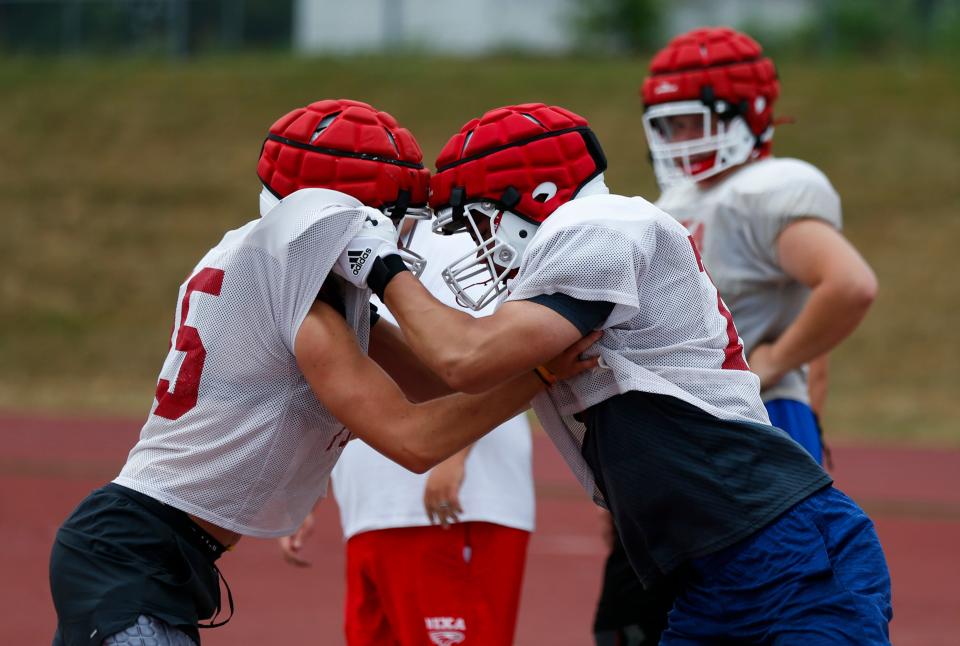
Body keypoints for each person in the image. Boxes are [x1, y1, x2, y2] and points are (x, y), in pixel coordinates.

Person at [331, 101, 892, 644]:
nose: (480, 248)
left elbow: (464, 360)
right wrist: (347, 310)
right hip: (712, 573)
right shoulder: (572, 263)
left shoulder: (601, 224)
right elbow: (437, 380)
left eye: (479, 222)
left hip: (785, 546)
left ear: (540, 196)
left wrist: (377, 265)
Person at [47, 99, 596, 646]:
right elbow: (415, 440)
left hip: (147, 550)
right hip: (133, 551)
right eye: (386, 217)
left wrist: (539, 348)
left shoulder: (282, 280)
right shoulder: (306, 311)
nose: (397, 236)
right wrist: (540, 375)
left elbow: (443, 377)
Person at [592, 26, 882, 645]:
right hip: (687, 432)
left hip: (754, 418)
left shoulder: (766, 190)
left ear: (749, 113)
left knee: (769, 605)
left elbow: (847, 285)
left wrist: (774, 361)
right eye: (668, 125)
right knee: (658, 612)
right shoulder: (680, 197)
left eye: (694, 121)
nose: (680, 140)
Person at [280, 230, 536, 646]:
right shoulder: (336, 254)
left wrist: (453, 455)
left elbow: (487, 356)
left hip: (454, 507)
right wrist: (310, 481)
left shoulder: (454, 244)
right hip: (373, 506)